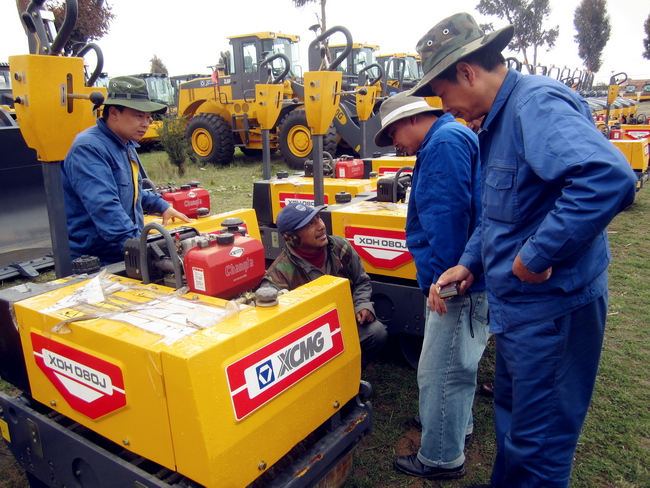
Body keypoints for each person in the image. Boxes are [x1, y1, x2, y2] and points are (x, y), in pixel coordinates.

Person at [409, 12, 638, 488]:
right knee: (514, 428)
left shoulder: (534, 105)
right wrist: (468, 263)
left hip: (552, 314)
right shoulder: (495, 123)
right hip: (519, 316)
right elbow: (499, 212)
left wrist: (537, 255)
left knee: (538, 446)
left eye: (445, 95)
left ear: (468, 72)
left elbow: (608, 177)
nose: (447, 110)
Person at [374, 92, 489, 480]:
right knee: (458, 363)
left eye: (392, 134)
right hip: (467, 276)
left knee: (440, 370)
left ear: (410, 119)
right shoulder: (451, 137)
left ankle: (440, 458)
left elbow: (449, 216)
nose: (395, 145)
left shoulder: (442, 144)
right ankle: (455, 427)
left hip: (458, 282)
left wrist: (445, 277)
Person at [62, 76, 191, 265]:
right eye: (139, 116)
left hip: (124, 249)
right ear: (113, 113)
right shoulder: (89, 148)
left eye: (148, 117)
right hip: (96, 258)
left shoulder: (125, 145)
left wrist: (162, 206)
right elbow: (104, 207)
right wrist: (143, 247)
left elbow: (132, 191)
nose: (146, 123)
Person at [261, 202, 387, 367]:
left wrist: (362, 304)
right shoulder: (279, 275)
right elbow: (273, 326)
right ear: (292, 237)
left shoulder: (341, 247)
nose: (321, 226)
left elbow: (361, 280)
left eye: (318, 218)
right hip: (309, 340)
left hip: (344, 321)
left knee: (376, 333)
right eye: (310, 224)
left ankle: (350, 371)